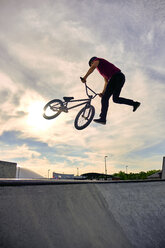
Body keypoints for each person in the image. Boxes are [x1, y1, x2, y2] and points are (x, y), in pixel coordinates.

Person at [81, 57, 141, 125]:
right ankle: (135, 104)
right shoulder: (102, 70)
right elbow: (106, 82)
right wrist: (103, 93)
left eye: (91, 64)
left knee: (105, 99)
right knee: (115, 99)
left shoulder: (97, 60)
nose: (92, 65)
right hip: (119, 78)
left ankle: (103, 118)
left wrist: (85, 77)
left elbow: (93, 67)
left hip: (116, 76)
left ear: (92, 61)